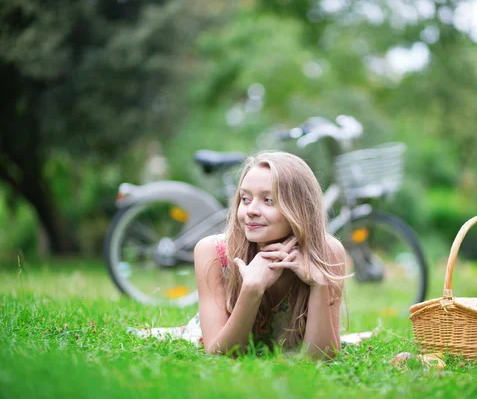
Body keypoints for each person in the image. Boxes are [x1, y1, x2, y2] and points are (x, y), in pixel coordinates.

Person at [130, 151, 362, 358]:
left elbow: (321, 358)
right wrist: (251, 289)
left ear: (300, 208)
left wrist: (319, 284)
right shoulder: (213, 252)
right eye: (245, 198)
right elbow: (220, 353)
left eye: (268, 200)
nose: (251, 210)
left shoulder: (328, 252)